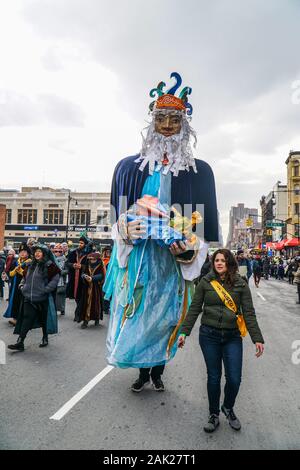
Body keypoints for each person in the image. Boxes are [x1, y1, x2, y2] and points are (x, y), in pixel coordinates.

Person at [104, 72, 219, 392]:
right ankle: (142, 371)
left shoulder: (201, 172)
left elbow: (206, 229)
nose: (168, 124)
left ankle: (157, 370)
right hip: (140, 262)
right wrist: (126, 229)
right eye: (161, 118)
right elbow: (115, 219)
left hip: (171, 265)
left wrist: (189, 249)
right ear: (152, 122)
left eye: (175, 118)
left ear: (185, 124)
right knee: (137, 316)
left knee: (166, 318)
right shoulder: (127, 167)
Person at [178, 249, 264, 433]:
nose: (219, 263)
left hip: (232, 336)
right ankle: (214, 414)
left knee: (234, 379)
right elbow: (194, 308)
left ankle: (228, 407)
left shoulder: (240, 284)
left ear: (229, 263)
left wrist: (257, 338)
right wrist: (184, 332)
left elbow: (249, 313)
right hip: (209, 335)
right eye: (216, 260)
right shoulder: (205, 282)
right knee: (214, 377)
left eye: (223, 261)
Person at [7, 245, 60, 351]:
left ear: (44, 253)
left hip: (42, 299)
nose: (37, 253)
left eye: (40, 251)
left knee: (44, 320)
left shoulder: (49, 265)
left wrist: (45, 290)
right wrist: (22, 286)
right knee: (27, 318)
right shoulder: (30, 264)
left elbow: (56, 277)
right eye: (36, 251)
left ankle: (45, 337)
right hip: (28, 297)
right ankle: (20, 342)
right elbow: (25, 277)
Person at [3, 243, 32, 326]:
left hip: (26, 284)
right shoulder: (16, 261)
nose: (22, 253)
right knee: (15, 300)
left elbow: (28, 274)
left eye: (24, 251)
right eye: (21, 251)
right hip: (15, 284)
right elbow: (11, 273)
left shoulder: (30, 262)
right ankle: (16, 318)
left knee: (24, 301)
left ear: (28, 253)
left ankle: (23, 319)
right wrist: (15, 270)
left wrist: (20, 271)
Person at [76, 252, 105, 328]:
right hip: (87, 288)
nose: (91, 261)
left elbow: (102, 275)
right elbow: (83, 273)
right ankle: (85, 321)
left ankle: (97, 319)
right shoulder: (87, 265)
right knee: (86, 304)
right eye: (90, 259)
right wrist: (84, 276)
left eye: (93, 259)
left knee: (96, 303)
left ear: (97, 259)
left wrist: (92, 278)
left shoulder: (100, 265)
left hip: (96, 288)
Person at [66, 235, 92, 320]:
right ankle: (79, 314)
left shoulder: (90, 254)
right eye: (79, 243)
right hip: (74, 279)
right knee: (77, 297)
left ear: (86, 244)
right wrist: (73, 265)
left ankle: (78, 314)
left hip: (83, 280)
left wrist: (82, 266)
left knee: (82, 297)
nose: (80, 244)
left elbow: (91, 266)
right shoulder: (74, 252)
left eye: (82, 243)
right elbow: (67, 263)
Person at [53, 243, 68, 316]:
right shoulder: (51, 259)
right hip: (52, 280)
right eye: (56, 251)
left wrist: (60, 272)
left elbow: (67, 270)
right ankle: (54, 309)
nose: (58, 253)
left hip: (62, 280)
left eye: (60, 251)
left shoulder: (65, 259)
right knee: (53, 296)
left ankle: (62, 309)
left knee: (61, 295)